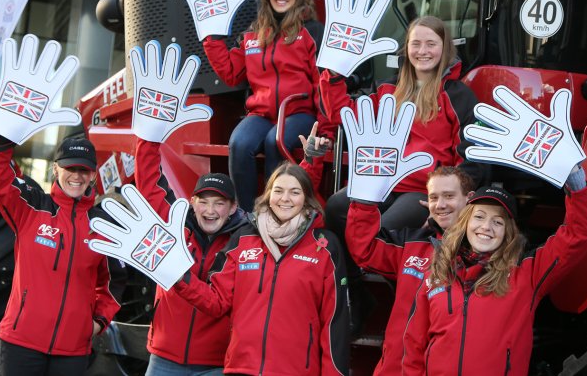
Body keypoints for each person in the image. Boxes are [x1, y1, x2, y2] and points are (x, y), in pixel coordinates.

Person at [319, 15, 485, 333]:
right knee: (336, 208)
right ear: (406, 49)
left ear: (445, 48)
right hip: (382, 183)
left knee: (381, 231)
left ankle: (409, 303)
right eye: (416, 44)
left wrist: (448, 199)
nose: (423, 51)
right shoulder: (388, 92)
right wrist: (334, 73)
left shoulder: (459, 96)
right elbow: (343, 115)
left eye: (431, 44)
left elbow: (473, 156)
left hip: (423, 192)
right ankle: (356, 293)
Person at [170, 128, 349, 375]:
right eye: (278, 191)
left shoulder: (324, 247)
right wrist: (177, 273)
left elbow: (334, 325)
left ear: (306, 199)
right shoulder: (244, 238)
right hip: (241, 368)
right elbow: (216, 301)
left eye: (295, 193)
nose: (285, 199)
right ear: (268, 195)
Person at [402, 165, 587, 375]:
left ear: (508, 233)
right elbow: (414, 347)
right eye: (479, 217)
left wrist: (575, 180)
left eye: (498, 222)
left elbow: (579, 234)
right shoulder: (438, 274)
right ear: (465, 223)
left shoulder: (527, 274)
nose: (486, 227)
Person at [0, 135, 121, 376]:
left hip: (72, 351)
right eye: (70, 167)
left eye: (84, 169)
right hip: (21, 343)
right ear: (56, 168)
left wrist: (98, 322)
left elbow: (114, 281)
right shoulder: (32, 206)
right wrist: (6, 134)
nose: (77, 176)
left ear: (93, 174)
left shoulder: (103, 225)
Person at [201, 0, 331, 212]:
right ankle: (247, 214)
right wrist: (212, 37)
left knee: (275, 141)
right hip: (262, 113)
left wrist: (326, 130)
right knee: (239, 142)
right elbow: (230, 72)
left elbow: (321, 82)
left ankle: (277, 211)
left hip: (300, 113)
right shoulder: (254, 34)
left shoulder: (312, 31)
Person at [134, 137, 250, 376]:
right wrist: (148, 135)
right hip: (164, 358)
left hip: (216, 364)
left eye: (219, 203)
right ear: (192, 202)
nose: (210, 211)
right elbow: (150, 184)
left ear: (232, 208)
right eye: (203, 202)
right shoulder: (174, 226)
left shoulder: (243, 241)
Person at [344, 166, 474, 375]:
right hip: (394, 368)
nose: (440, 205)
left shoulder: (483, 255)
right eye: (433, 197)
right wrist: (365, 199)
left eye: (449, 196)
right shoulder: (412, 243)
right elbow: (365, 249)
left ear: (469, 198)